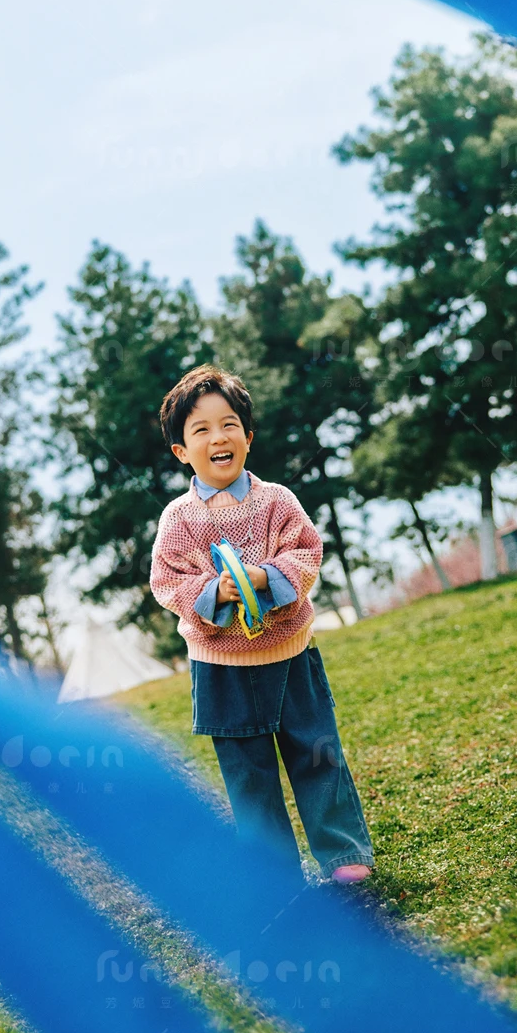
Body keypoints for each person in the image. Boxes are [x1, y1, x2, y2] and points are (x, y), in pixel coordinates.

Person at [150, 364, 374, 884]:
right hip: (220, 666)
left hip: (291, 654)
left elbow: (307, 551)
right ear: (182, 451)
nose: (217, 437)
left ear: (247, 437)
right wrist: (214, 592)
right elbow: (167, 581)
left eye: (228, 424)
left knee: (317, 755)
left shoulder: (276, 500)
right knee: (248, 777)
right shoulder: (178, 518)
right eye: (200, 430)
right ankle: (276, 877)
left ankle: (343, 857)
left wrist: (266, 578)